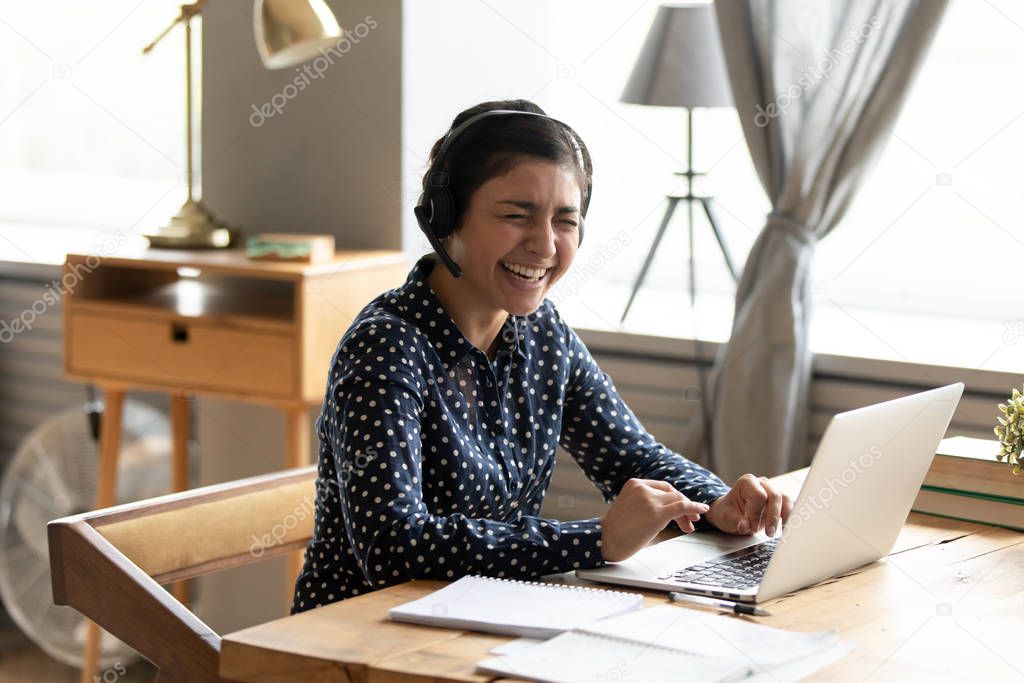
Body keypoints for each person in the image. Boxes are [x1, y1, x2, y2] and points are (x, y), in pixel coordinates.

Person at [292, 99, 793, 612]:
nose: (546, 245)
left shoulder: (541, 331)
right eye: (516, 215)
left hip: (480, 618)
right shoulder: (385, 348)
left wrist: (719, 503)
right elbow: (392, 547)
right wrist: (595, 540)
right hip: (354, 641)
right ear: (446, 219)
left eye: (565, 221)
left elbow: (631, 457)